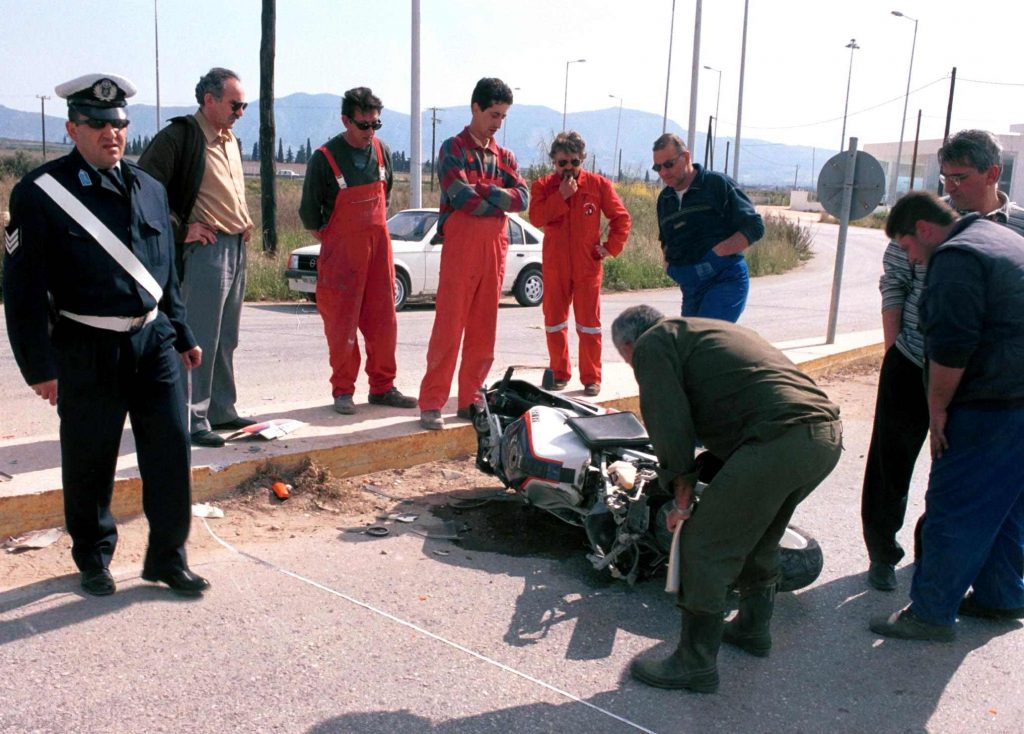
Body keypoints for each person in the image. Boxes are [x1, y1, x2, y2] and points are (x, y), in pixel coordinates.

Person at [3, 73, 209, 597]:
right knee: (90, 457)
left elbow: (166, 273)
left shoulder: (151, 189)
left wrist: (181, 332)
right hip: (85, 344)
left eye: (117, 123)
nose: (109, 132)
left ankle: (167, 557)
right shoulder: (40, 194)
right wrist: (40, 368)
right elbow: (22, 290)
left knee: (170, 451)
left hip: (153, 340)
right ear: (73, 128)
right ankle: (94, 558)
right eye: (96, 124)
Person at [613, 306, 841, 693]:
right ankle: (752, 628)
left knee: (704, 545)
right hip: (822, 437)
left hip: (779, 440)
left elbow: (668, 421)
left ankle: (694, 664)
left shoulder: (651, 347)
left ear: (630, 346)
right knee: (759, 537)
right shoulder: (701, 329)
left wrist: (680, 490)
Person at [860, 129, 1024, 592]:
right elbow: (894, 283)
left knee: (953, 471)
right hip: (913, 360)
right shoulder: (927, 220)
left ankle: (933, 556)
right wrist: (896, 351)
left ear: (992, 174)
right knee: (890, 463)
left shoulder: (1019, 228)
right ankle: (881, 553)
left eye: (960, 178)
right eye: (945, 176)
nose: (949, 187)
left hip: (976, 380)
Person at [139, 67, 254, 448]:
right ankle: (191, 417)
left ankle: (221, 410)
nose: (241, 111)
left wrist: (244, 222)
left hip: (235, 246)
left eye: (244, 105)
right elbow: (142, 194)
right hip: (205, 250)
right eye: (235, 104)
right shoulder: (179, 138)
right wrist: (180, 229)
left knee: (226, 338)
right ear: (209, 100)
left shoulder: (229, 139)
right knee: (199, 337)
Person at [418, 78, 528, 430]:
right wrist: (498, 196)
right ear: (475, 108)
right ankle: (432, 402)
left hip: (495, 250)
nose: (498, 123)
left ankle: (470, 400)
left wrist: (484, 191)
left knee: (484, 329)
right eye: (493, 114)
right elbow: (460, 196)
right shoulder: (452, 148)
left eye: (503, 117)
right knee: (449, 327)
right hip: (461, 248)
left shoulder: (504, 156)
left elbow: (524, 198)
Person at [299, 87, 416, 414]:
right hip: (342, 259)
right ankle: (343, 392)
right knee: (342, 326)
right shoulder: (325, 159)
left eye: (375, 125)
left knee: (383, 323)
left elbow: (386, 195)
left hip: (378, 254)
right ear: (345, 120)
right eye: (364, 125)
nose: (370, 132)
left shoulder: (382, 152)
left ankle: (383, 387)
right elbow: (310, 216)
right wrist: (340, 244)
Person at [528, 131, 631, 397]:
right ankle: (560, 373)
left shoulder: (598, 186)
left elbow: (621, 219)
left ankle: (591, 378)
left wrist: (609, 248)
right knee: (554, 322)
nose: (568, 168)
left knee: (589, 325)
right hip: (555, 266)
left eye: (574, 162)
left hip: (587, 266)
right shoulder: (543, 186)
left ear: (582, 160)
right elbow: (537, 217)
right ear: (553, 161)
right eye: (562, 163)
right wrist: (561, 196)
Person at [651, 133, 764, 321]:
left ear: (686, 157)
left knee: (706, 341)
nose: (663, 172)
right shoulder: (665, 199)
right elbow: (665, 239)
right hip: (691, 286)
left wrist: (717, 254)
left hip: (724, 279)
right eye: (657, 167)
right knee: (691, 345)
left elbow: (755, 226)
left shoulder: (716, 185)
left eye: (669, 164)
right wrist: (670, 266)